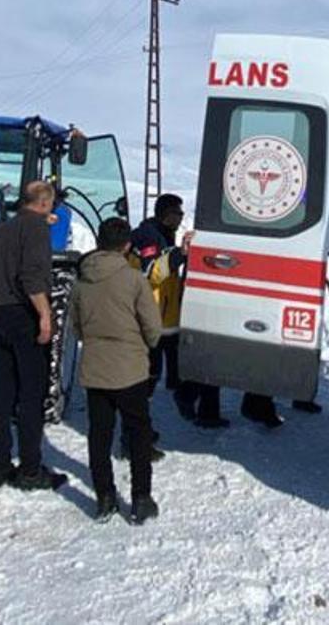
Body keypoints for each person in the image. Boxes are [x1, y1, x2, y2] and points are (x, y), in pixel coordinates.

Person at [70, 217, 163, 524]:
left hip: (95, 366)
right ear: (126, 246)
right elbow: (152, 326)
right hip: (129, 367)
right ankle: (140, 499)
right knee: (138, 433)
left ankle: (105, 498)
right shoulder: (134, 279)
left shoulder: (82, 280)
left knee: (99, 434)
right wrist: (146, 345)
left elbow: (76, 327)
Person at [0, 180, 69, 492]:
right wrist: (44, 315)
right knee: (31, 394)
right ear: (43, 202)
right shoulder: (36, 230)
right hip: (25, 315)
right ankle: (30, 470)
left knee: (3, 393)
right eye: (51, 203)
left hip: (1, 315)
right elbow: (31, 276)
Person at [131, 193, 229, 429]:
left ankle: (191, 402)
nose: (181, 217)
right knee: (150, 373)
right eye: (178, 213)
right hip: (153, 316)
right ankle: (136, 425)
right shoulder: (148, 236)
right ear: (166, 214)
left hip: (168, 316)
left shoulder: (165, 233)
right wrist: (180, 253)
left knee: (180, 364)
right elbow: (151, 272)